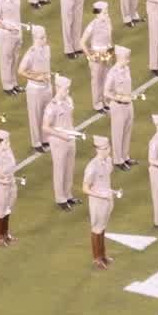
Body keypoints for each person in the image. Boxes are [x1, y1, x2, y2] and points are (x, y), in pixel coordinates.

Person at [44, 75, 79, 209]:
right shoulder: (51, 107)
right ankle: (60, 198)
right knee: (60, 169)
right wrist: (61, 135)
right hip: (58, 141)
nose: (67, 92)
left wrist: (71, 132)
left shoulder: (69, 100)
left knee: (70, 168)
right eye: (65, 89)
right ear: (57, 88)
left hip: (70, 138)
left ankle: (68, 195)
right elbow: (45, 127)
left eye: (68, 89)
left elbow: (70, 119)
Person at [84, 134, 117, 268]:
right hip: (97, 201)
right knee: (96, 229)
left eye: (107, 148)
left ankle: (103, 255)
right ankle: (97, 258)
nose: (106, 151)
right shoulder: (92, 167)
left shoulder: (109, 160)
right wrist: (100, 195)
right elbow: (85, 188)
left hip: (108, 198)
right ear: (97, 149)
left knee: (103, 227)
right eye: (103, 148)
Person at [0, 129, 20, 246]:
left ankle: (6, 234)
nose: (8, 143)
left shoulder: (8, 152)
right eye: (5, 142)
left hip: (10, 185)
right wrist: (1, 180)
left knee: (7, 209)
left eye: (8, 141)